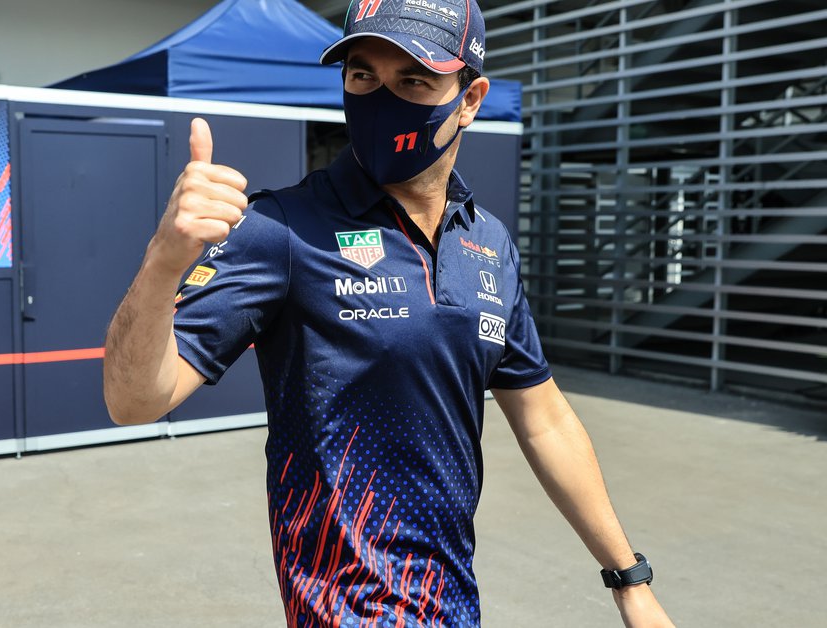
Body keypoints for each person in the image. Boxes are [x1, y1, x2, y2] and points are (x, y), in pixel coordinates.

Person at [103, 0, 674, 625]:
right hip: (340, 610)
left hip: (452, 602)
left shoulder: (486, 242)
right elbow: (134, 400)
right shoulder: (280, 227)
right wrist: (164, 260)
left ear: (470, 99)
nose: (381, 100)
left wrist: (630, 581)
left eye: (413, 81)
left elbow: (544, 419)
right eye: (362, 76)